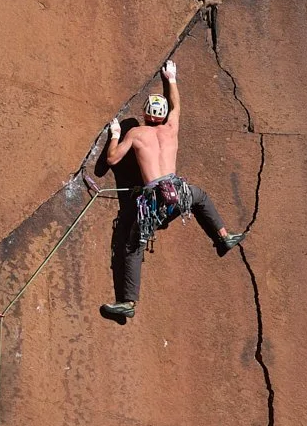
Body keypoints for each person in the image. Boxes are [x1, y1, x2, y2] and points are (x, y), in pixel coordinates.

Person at [99, 58, 243, 324]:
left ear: (144, 114)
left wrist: (116, 134)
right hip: (180, 194)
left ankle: (128, 302)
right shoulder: (171, 127)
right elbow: (176, 106)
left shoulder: (138, 134)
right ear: (163, 116)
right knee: (201, 197)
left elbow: (111, 161)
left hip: (154, 201)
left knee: (132, 246)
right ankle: (223, 236)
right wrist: (171, 78)